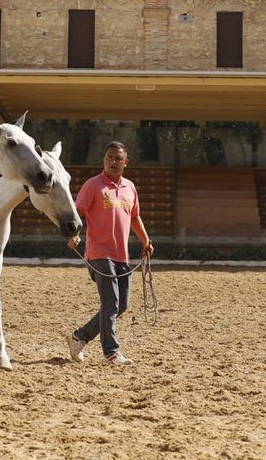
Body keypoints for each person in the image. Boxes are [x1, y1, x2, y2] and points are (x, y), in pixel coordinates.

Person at [66, 141, 152, 365]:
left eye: (118, 158)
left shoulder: (130, 188)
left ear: (126, 162)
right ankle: (111, 353)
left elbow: (134, 216)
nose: (113, 162)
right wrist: (74, 235)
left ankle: (80, 336)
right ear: (104, 160)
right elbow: (78, 212)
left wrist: (145, 241)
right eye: (109, 158)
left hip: (121, 255)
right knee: (111, 303)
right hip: (99, 254)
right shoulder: (93, 185)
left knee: (120, 304)